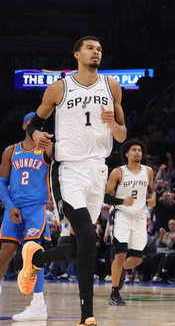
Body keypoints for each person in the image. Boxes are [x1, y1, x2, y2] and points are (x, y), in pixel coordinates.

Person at [18, 36, 127, 326]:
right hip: (68, 170)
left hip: (98, 169)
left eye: (100, 49)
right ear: (77, 54)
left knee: (79, 249)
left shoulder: (112, 86)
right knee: (87, 238)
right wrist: (36, 136)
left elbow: (122, 135)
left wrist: (113, 124)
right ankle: (86, 315)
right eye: (91, 48)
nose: (96, 52)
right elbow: (33, 124)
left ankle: (37, 259)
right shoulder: (59, 87)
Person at [0, 112, 53, 322]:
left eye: (39, 124)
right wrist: (10, 206)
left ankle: (38, 304)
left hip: (35, 208)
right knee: (6, 253)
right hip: (14, 208)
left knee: (33, 253)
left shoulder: (47, 148)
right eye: (32, 124)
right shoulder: (11, 151)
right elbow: (2, 183)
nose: (35, 128)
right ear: (25, 126)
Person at [106, 139, 155, 306]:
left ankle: (119, 272)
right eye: (134, 150)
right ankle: (114, 293)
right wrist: (120, 201)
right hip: (123, 216)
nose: (137, 153)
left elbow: (150, 192)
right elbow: (106, 196)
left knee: (137, 259)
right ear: (126, 153)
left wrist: (152, 199)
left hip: (140, 217)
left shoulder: (148, 172)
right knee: (120, 255)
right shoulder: (118, 172)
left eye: (140, 150)